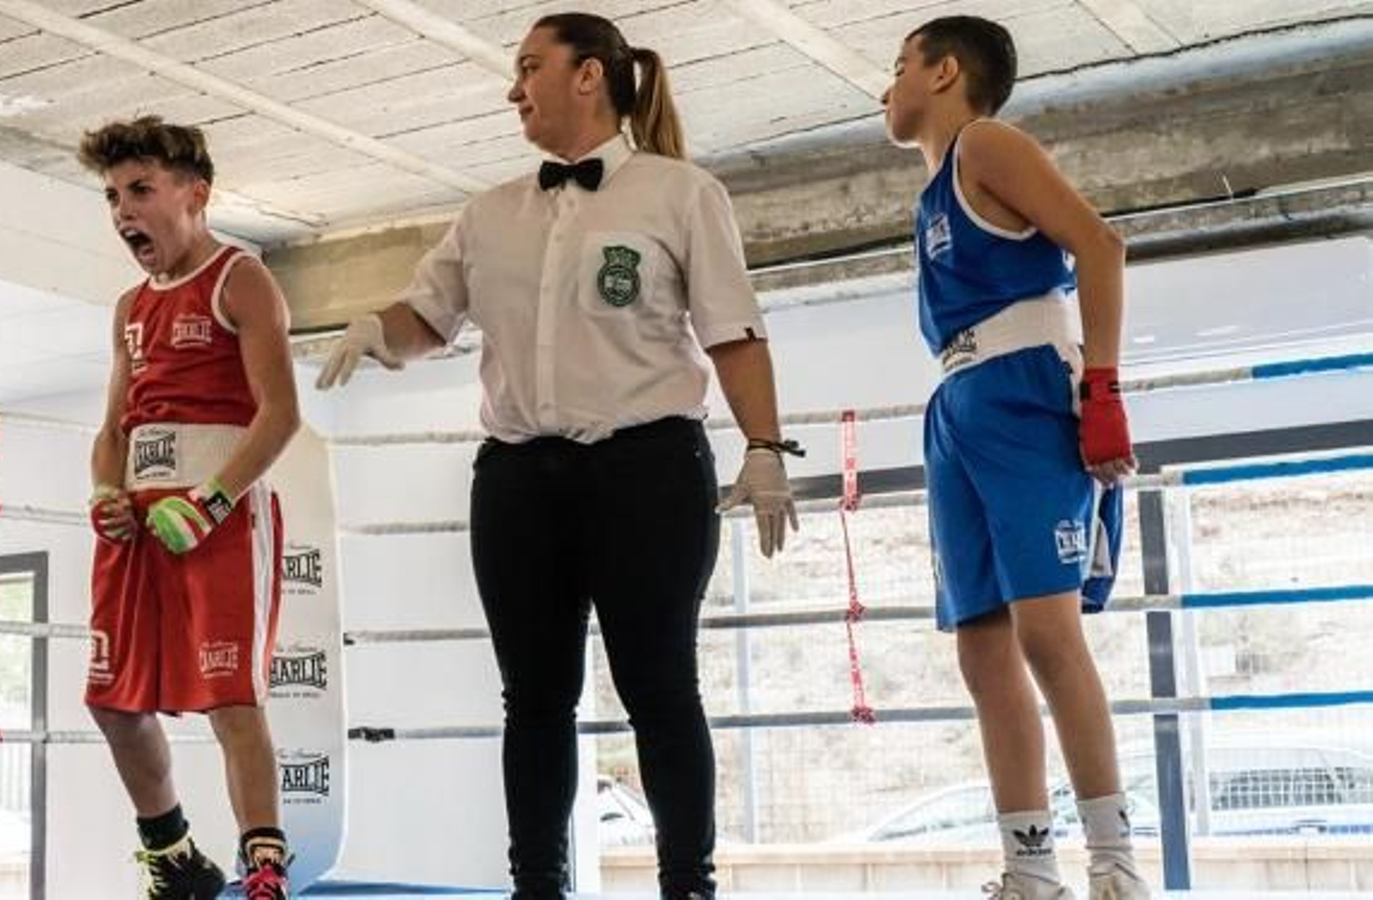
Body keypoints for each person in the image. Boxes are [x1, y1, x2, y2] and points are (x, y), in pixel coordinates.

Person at [315, 12, 798, 898]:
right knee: (532, 699)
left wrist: (763, 447)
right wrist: (373, 329)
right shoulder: (489, 211)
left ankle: (687, 883)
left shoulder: (679, 193)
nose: (513, 89)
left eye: (530, 66)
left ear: (590, 77)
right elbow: (430, 317)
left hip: (645, 465)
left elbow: (733, 332)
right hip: (517, 477)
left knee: (660, 688)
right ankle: (536, 884)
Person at [880, 15, 1150, 900]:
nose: (886, 87)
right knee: (983, 650)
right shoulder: (930, 199)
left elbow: (1100, 245)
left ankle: (1115, 865)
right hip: (957, 403)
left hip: (1027, 385)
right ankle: (1031, 870)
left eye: (899, 66)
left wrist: (1103, 389)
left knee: (1046, 632)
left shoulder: (985, 145)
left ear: (946, 72)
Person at [79, 116, 302, 900]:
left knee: (230, 696)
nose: (123, 211)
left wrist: (210, 501)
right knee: (112, 700)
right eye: (112, 196)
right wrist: (106, 494)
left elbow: (280, 414)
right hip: (138, 524)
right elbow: (112, 430)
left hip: (221, 517)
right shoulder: (129, 306)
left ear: (195, 194)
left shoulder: (242, 278)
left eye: (140, 190)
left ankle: (265, 870)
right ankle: (174, 856)